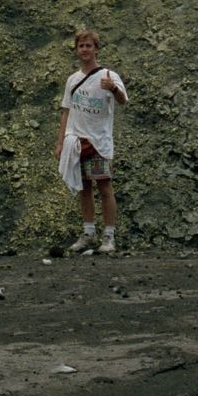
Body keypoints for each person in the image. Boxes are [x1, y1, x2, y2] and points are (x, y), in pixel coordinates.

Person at [54, 28, 128, 254]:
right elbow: (66, 111)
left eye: (89, 46)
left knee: (104, 186)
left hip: (98, 142)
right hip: (76, 141)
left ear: (96, 49)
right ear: (76, 50)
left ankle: (109, 236)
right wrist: (60, 142)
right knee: (83, 187)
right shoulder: (72, 80)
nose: (85, 50)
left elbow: (123, 100)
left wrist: (113, 88)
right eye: (81, 46)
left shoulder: (108, 76)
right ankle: (88, 233)